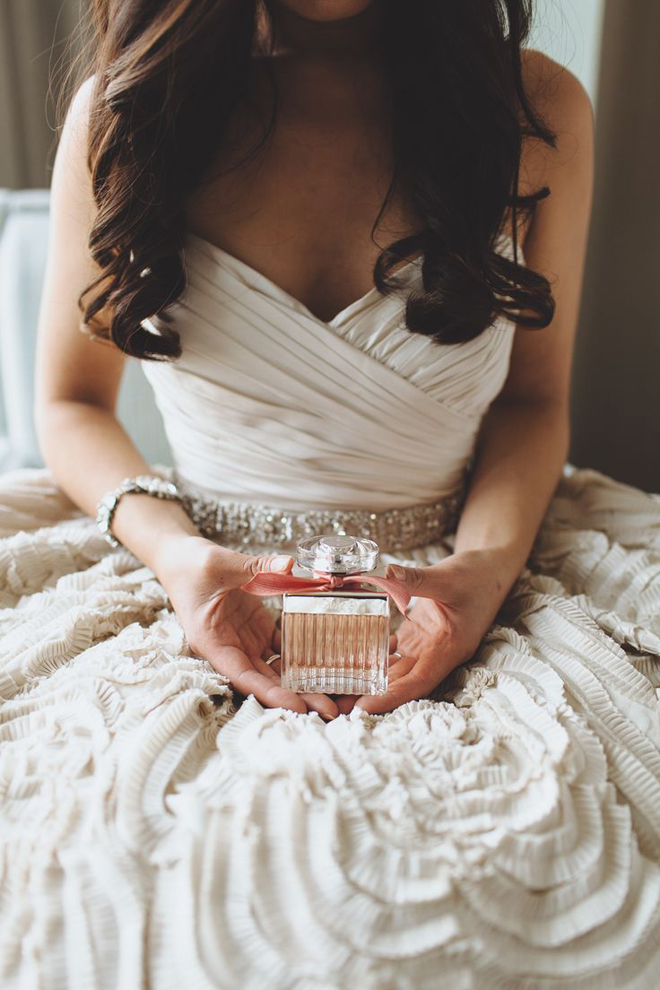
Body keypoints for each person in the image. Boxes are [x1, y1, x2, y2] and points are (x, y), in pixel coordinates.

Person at [2, 1, 659, 986]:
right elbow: (67, 401)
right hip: (193, 561)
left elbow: (532, 401)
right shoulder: (127, 114)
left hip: (467, 553)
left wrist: (478, 575)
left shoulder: (533, 112)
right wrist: (181, 561)